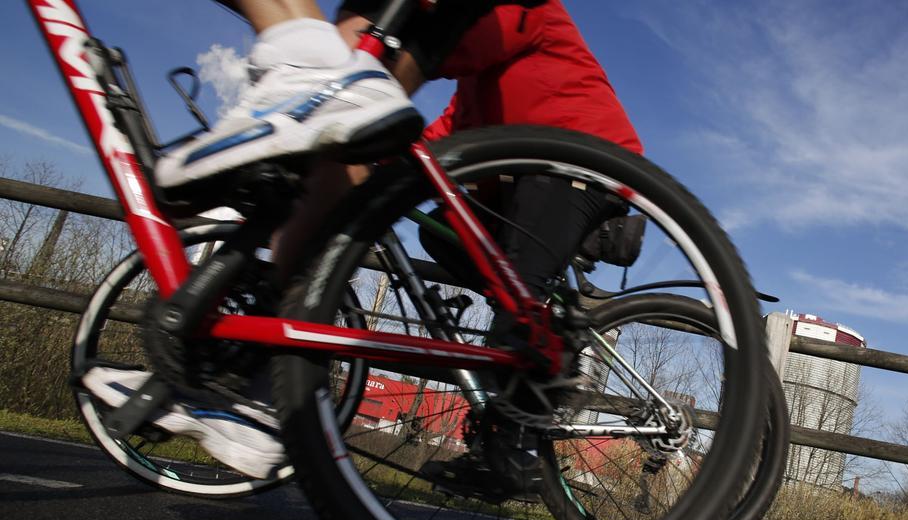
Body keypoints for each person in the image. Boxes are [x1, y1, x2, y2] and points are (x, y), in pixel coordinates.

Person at [85, 0, 642, 486]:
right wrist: (358, 146)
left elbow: (473, 34)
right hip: (523, 179)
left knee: (520, 300)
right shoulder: (478, 93)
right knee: (437, 230)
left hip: (573, 160)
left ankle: (512, 446)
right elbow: (438, 135)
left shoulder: (532, 13)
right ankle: (539, 328)